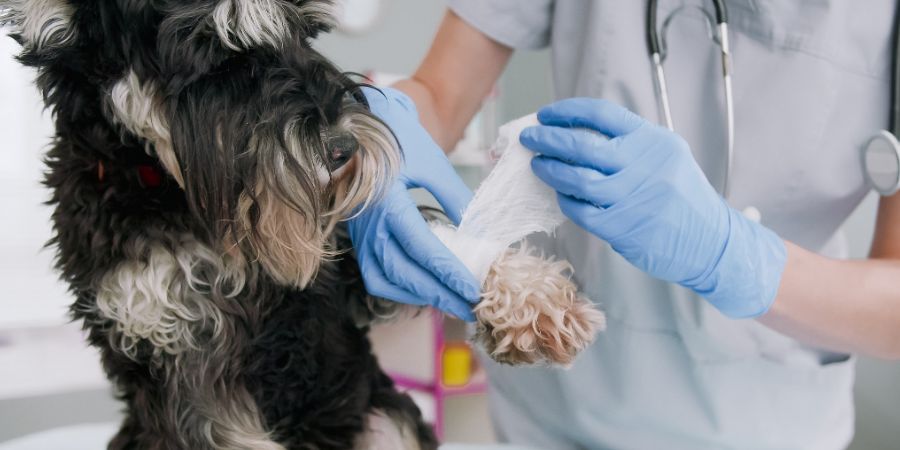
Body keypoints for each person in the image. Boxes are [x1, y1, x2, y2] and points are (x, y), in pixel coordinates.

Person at [347, 1, 900, 448]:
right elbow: (441, 94)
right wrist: (373, 143)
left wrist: (733, 256)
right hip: (553, 407)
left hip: (759, 418)